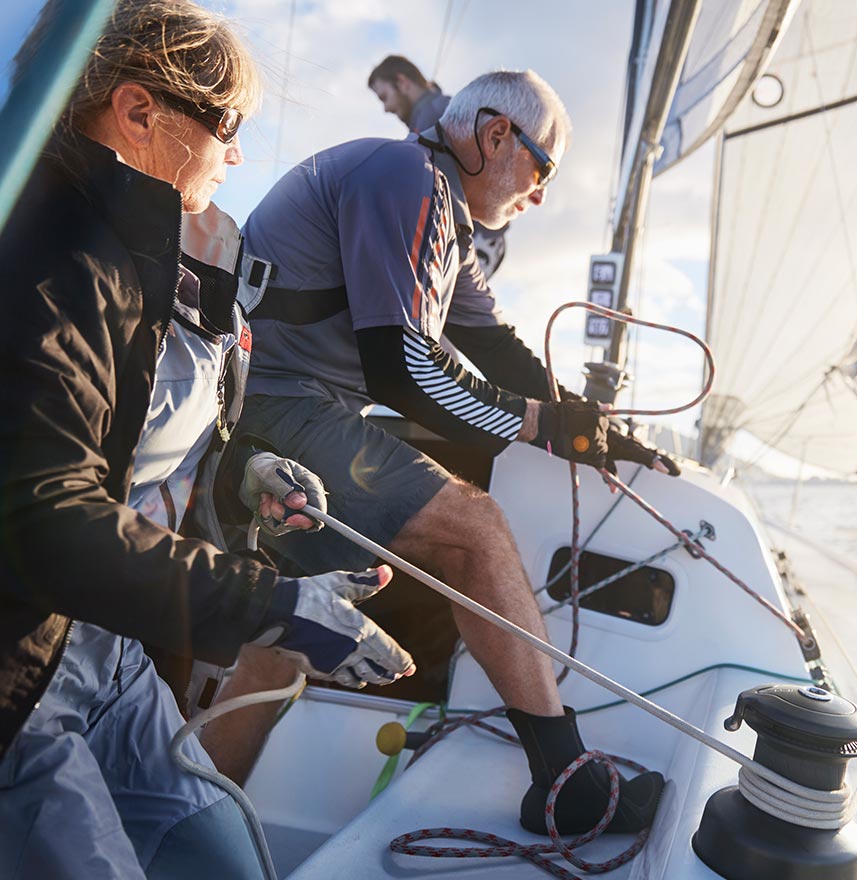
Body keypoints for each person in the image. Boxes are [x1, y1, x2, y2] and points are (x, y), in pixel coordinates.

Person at [0, 2, 412, 876]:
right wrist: (278, 606)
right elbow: (45, 517)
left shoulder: (132, 248)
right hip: (16, 681)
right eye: (227, 127)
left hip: (101, 651)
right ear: (139, 110)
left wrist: (236, 473)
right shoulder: (42, 257)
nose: (235, 155)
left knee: (226, 861)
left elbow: (113, 439)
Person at [211, 69, 679, 837]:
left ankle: (178, 821)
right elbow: (405, 366)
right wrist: (541, 426)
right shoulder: (404, 176)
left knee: (284, 647)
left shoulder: (442, 218)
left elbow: (495, 347)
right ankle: (567, 782)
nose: (539, 194)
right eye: (542, 168)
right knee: (475, 528)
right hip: (273, 409)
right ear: (496, 135)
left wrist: (594, 430)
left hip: (281, 412)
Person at [368, 54, 507, 279]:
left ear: (403, 83)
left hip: (472, 238)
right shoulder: (436, 113)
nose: (386, 108)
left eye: (385, 96)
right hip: (475, 238)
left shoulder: (437, 114)